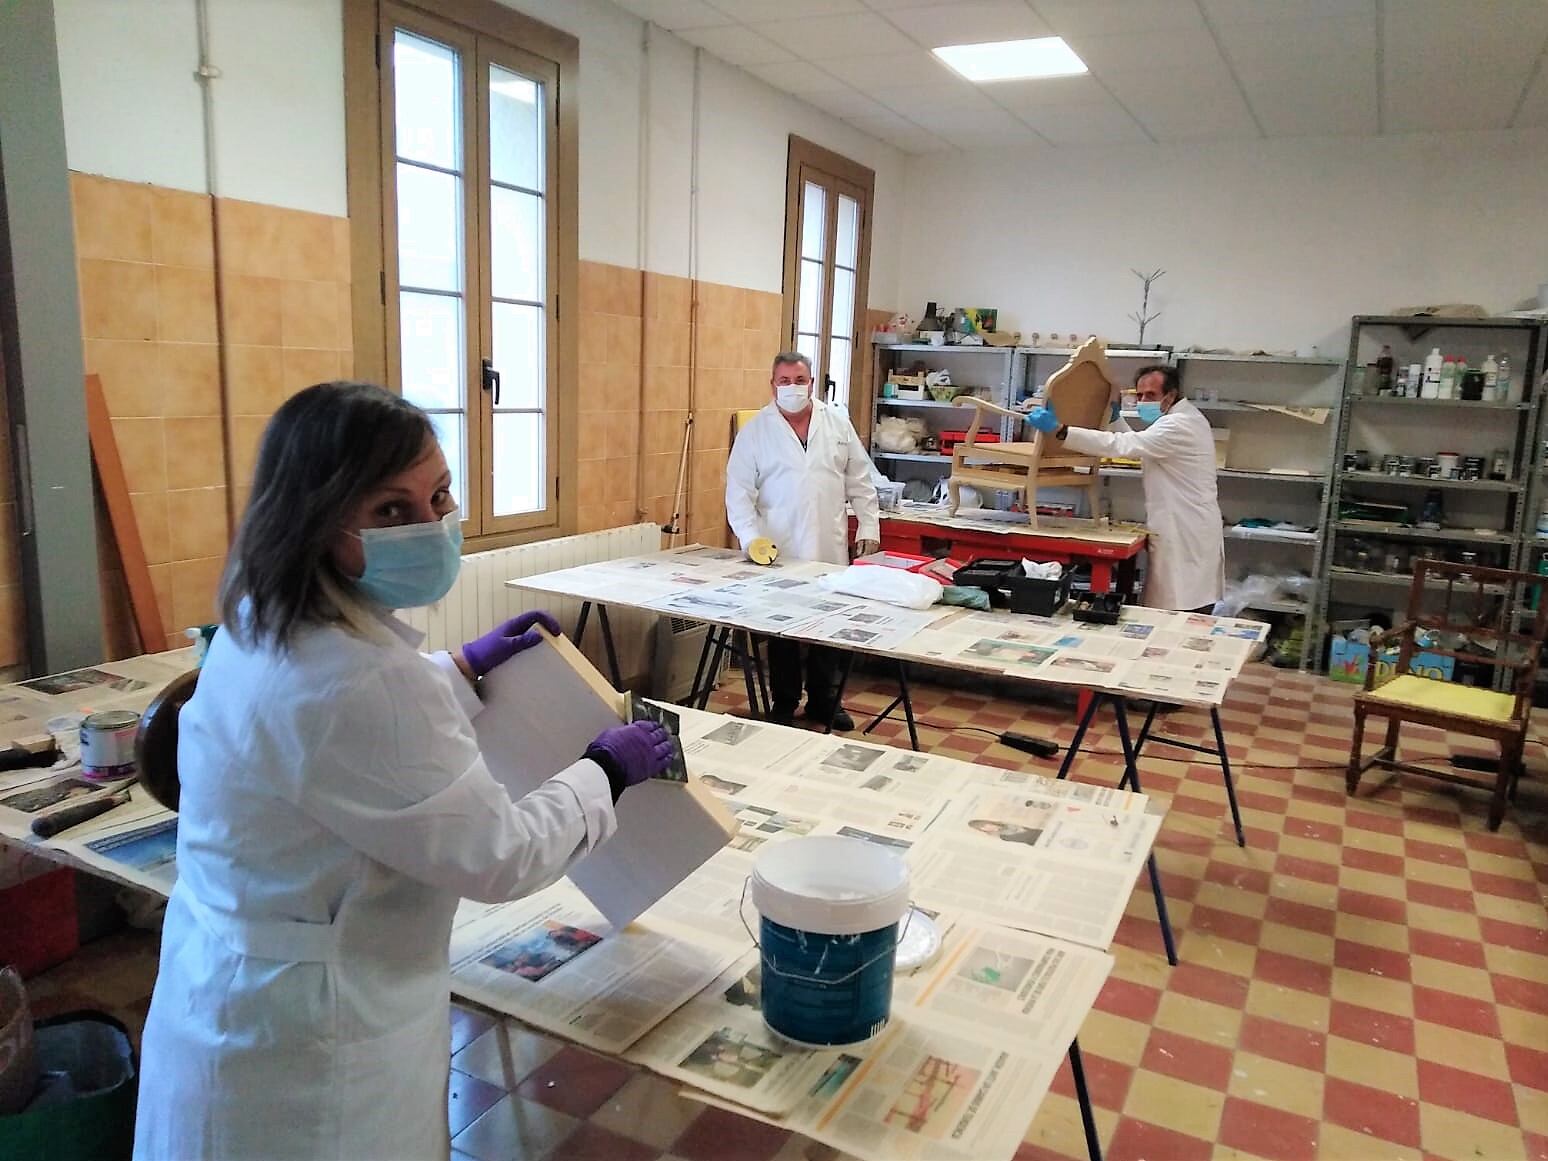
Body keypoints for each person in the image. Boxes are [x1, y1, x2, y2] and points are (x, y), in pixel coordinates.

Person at [133, 382, 675, 1160]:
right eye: (392, 509)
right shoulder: (364, 684)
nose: (430, 524)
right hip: (316, 1044)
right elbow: (501, 853)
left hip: (226, 993)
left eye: (440, 495)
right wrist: (604, 771)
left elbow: (336, 747)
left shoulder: (259, 619)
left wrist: (458, 669)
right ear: (317, 519)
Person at [726, 352, 881, 730]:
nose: (792, 387)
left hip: (828, 542)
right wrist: (750, 538)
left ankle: (825, 702)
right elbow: (738, 492)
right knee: (782, 630)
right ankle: (784, 701)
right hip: (779, 546)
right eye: (784, 381)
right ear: (772, 385)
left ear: (812, 383)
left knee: (828, 626)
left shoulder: (837, 423)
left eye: (799, 380)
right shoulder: (756, 431)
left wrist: (869, 526)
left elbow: (860, 479)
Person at [1025, 364, 1223, 613]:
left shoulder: (1179, 425)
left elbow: (1124, 445)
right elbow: (1139, 446)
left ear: (1171, 395)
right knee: (1175, 602)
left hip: (1185, 528)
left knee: (1181, 608)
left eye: (1150, 395)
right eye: (1139, 395)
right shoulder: (1181, 419)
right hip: (1184, 523)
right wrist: (1116, 420)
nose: (1143, 401)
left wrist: (1061, 431)